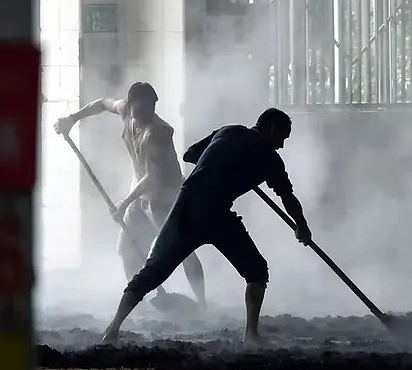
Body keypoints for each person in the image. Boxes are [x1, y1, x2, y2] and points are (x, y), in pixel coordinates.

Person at [100, 108, 312, 346]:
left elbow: (190, 155)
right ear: (272, 128)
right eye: (282, 137)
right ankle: (251, 334)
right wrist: (301, 226)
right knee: (256, 271)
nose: (281, 145)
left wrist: (224, 163)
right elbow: (287, 196)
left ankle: (112, 329)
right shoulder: (269, 158)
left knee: (152, 271)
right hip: (215, 213)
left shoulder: (228, 131)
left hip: (185, 206)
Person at [53, 82, 206, 307]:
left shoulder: (159, 132)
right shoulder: (125, 110)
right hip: (139, 194)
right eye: (140, 109)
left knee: (180, 249)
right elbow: (103, 104)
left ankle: (202, 304)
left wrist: (125, 202)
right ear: (130, 104)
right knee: (126, 249)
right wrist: (73, 118)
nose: (146, 114)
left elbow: (152, 177)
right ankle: (137, 302)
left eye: (151, 108)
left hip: (165, 196)